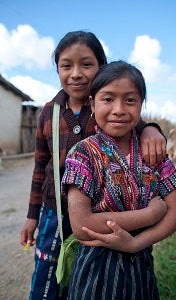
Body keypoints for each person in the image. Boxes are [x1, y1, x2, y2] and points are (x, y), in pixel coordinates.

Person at [20, 31, 167, 300]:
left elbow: (137, 126)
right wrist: (32, 217)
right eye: (66, 65)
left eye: (87, 64)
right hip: (54, 213)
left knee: (85, 275)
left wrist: (152, 130)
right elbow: (40, 168)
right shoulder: (48, 113)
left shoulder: (106, 107)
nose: (76, 73)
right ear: (57, 69)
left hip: (99, 213)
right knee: (47, 275)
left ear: (102, 67)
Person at [61, 60, 176, 300]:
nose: (119, 109)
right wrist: (149, 215)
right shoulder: (82, 154)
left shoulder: (153, 154)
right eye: (108, 99)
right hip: (96, 272)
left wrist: (135, 244)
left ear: (141, 105)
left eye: (130, 100)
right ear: (92, 104)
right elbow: (81, 225)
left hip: (142, 269)